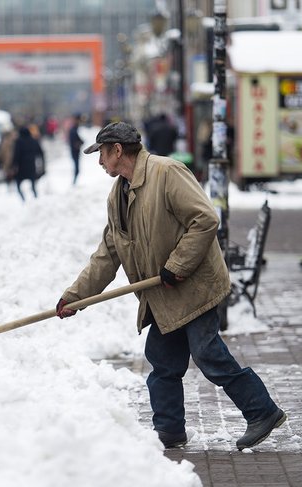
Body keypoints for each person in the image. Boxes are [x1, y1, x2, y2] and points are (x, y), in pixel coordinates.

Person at [55, 121, 285, 451]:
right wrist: (76, 297)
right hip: (162, 297)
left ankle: (262, 412)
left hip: (193, 287)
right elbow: (108, 254)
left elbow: (205, 219)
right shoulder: (118, 195)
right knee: (162, 362)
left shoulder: (167, 173)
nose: (100, 161)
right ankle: (169, 430)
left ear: (117, 150)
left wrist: (177, 266)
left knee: (207, 354)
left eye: (102, 153)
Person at [11, 125, 45, 201]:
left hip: (21, 168)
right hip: (31, 166)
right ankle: (36, 199)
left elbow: (16, 154)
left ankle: (24, 200)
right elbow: (41, 153)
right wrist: (42, 165)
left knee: (19, 186)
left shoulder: (18, 141)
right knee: (33, 186)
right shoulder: (33, 140)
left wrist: (13, 165)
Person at [68, 114, 84, 184]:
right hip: (74, 151)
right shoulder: (73, 130)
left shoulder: (74, 129)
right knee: (77, 169)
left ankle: (74, 182)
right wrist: (80, 142)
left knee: (77, 168)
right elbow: (74, 141)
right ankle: (74, 182)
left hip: (75, 151)